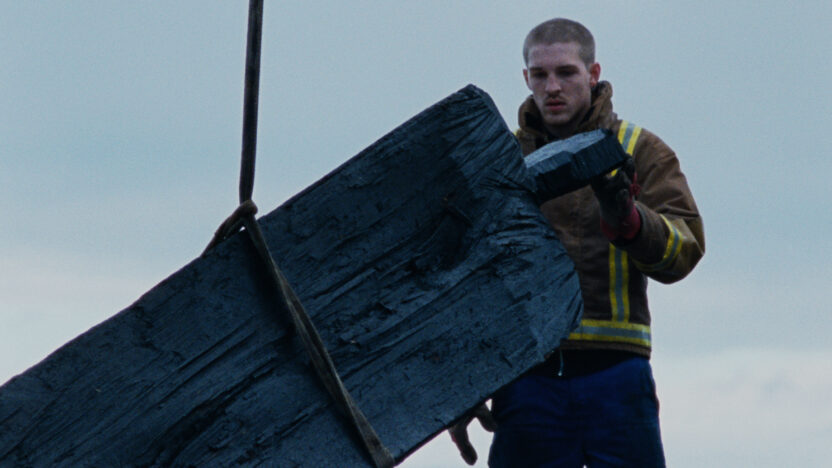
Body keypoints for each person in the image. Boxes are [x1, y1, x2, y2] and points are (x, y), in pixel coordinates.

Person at [449, 18, 705, 467]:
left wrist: (631, 223)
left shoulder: (641, 150)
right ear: (525, 78)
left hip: (617, 376)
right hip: (526, 379)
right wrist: (462, 381)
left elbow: (685, 250)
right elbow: (463, 276)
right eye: (540, 74)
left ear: (593, 73)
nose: (552, 86)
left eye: (566, 72)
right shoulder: (498, 161)